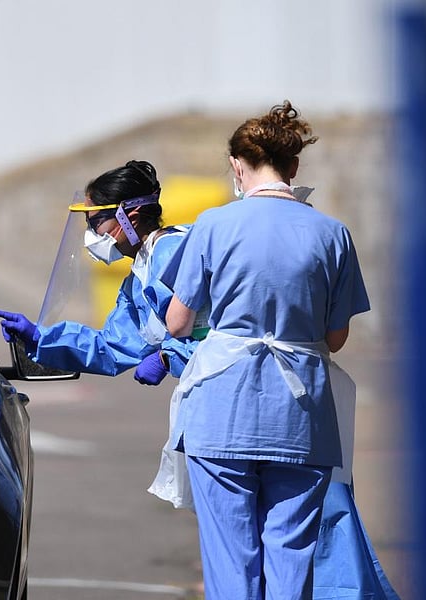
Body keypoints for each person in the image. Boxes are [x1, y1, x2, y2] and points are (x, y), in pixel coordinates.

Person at [161, 100, 374, 600]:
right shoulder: (332, 233)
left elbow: (178, 321)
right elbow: (337, 337)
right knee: (292, 551)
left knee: (231, 557)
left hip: (223, 407)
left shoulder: (213, 225)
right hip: (301, 416)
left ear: (237, 166)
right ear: (294, 166)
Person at [0, 159, 197, 383]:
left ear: (131, 219)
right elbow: (111, 347)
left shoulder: (172, 254)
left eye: (96, 222)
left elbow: (222, 324)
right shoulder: (139, 277)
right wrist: (40, 338)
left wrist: (169, 357)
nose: (90, 234)